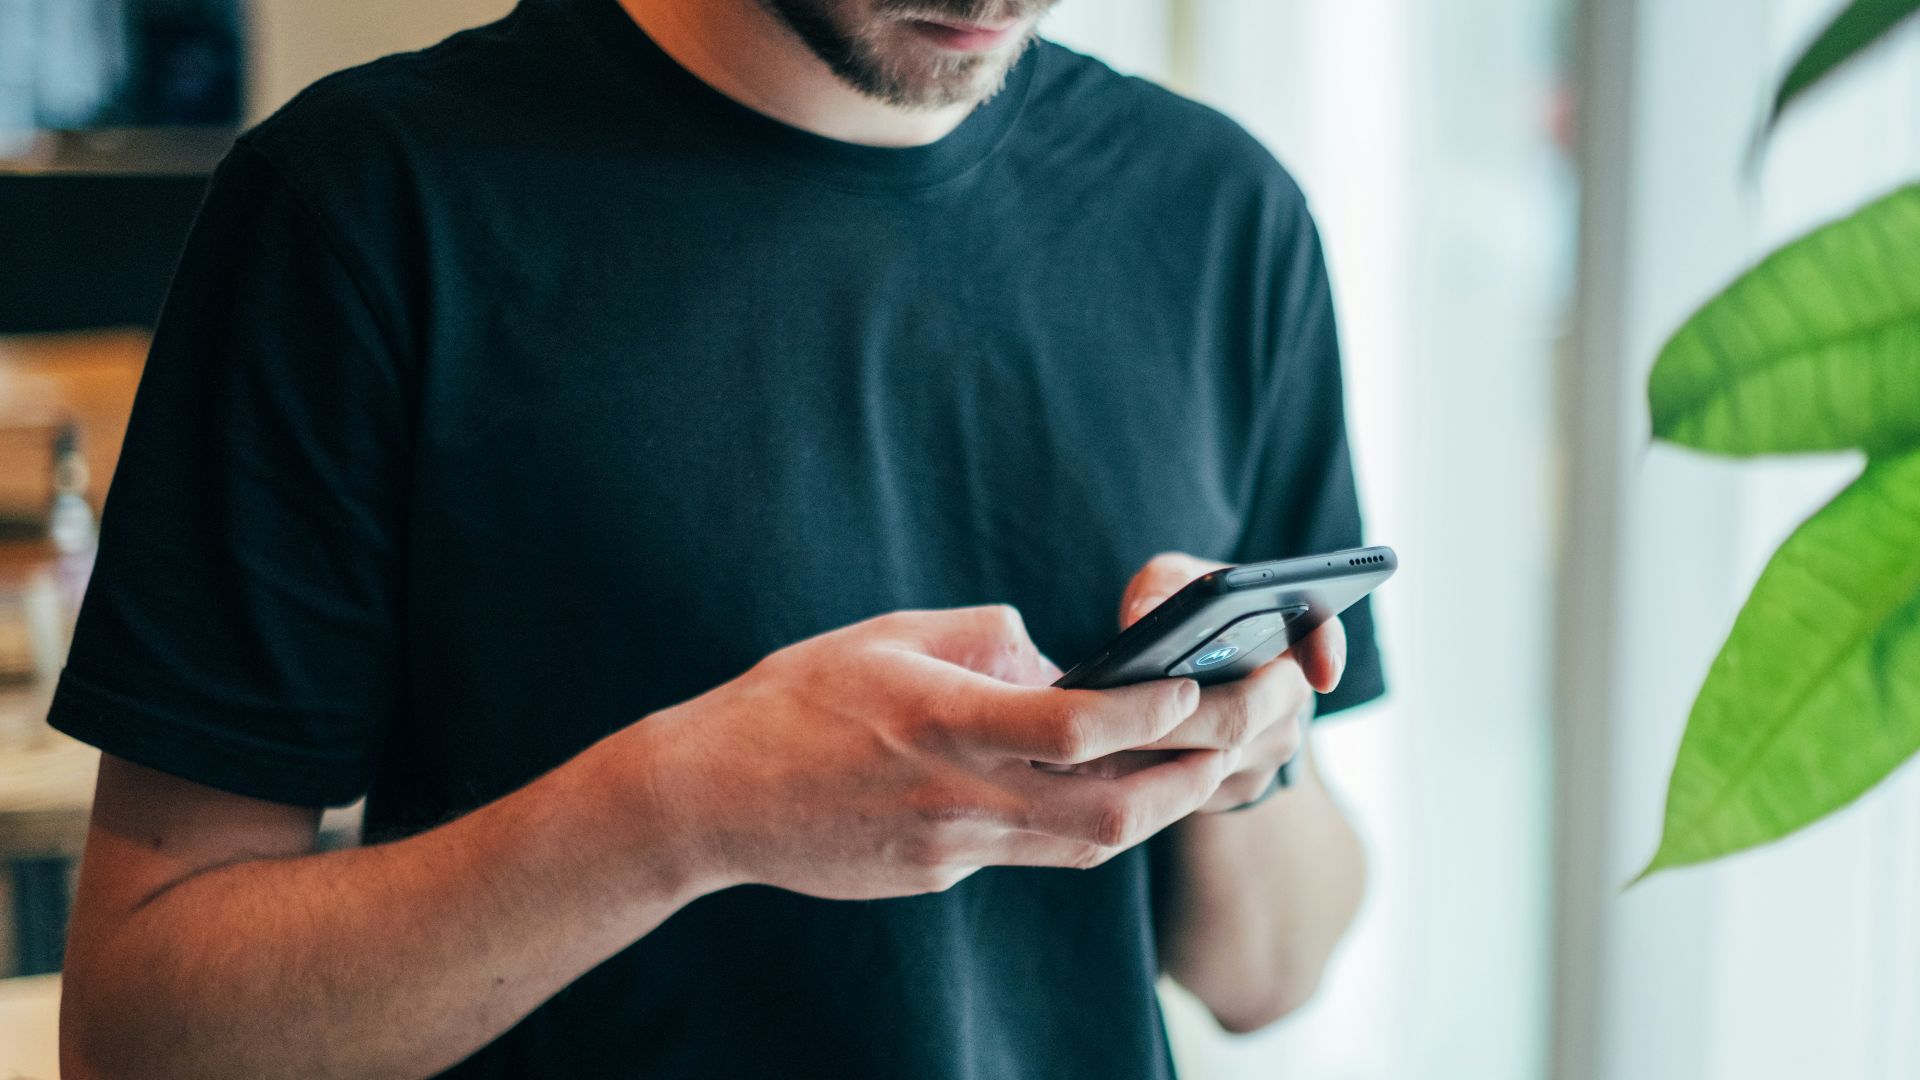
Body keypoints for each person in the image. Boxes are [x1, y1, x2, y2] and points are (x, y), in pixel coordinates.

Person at [49, 0, 1384, 1077]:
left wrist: (1243, 761)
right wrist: (684, 814)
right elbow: (147, 1038)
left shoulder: (1222, 214)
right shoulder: (361, 204)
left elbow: (1267, 975)